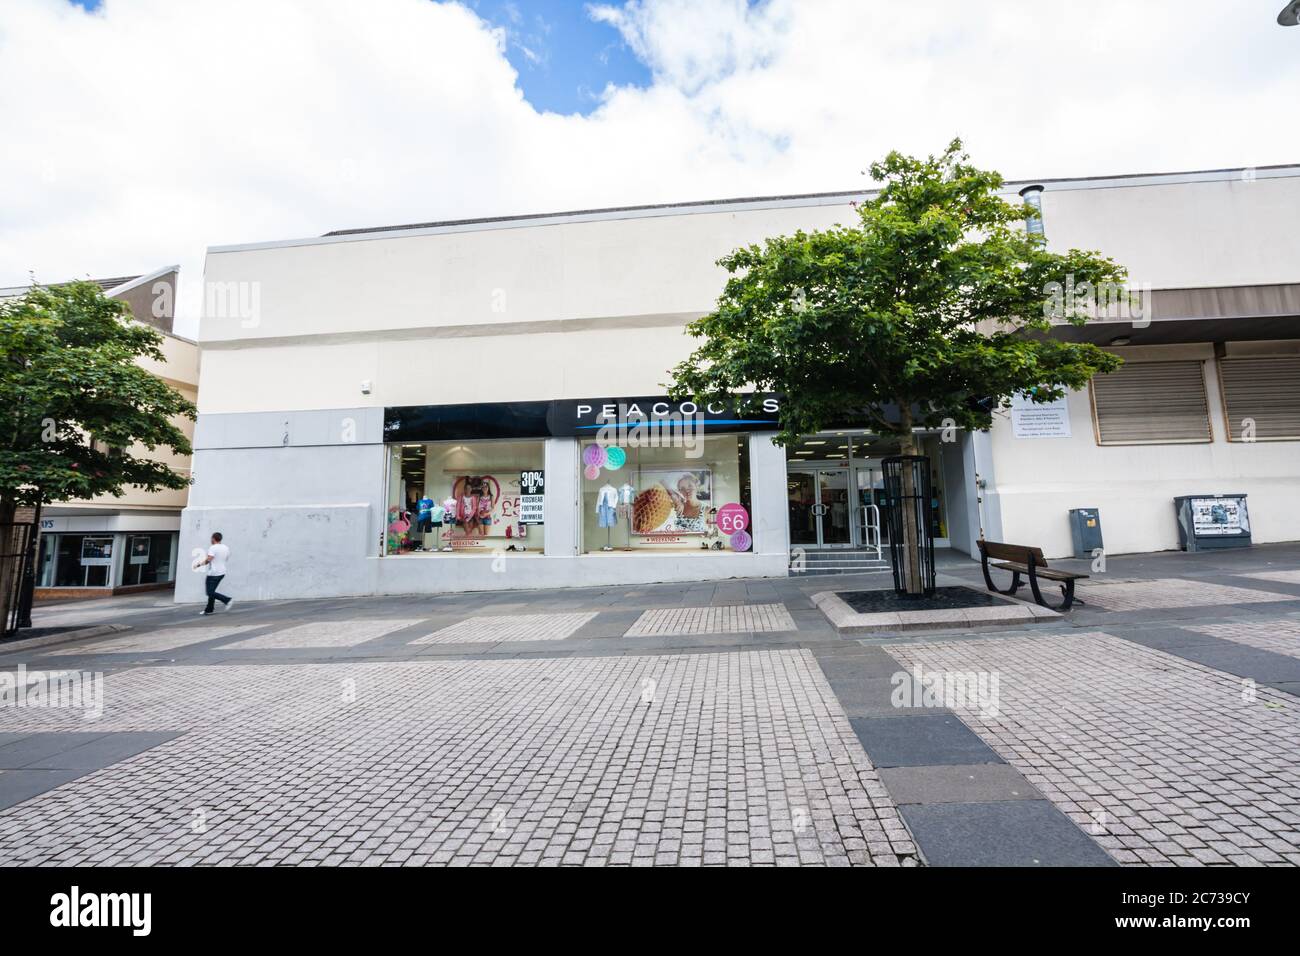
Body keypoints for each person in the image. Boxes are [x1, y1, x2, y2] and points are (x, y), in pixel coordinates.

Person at [199, 532, 233, 615]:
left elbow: (209, 559)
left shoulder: (213, 548)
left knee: (209, 592)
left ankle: (227, 600)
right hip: (222, 572)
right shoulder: (226, 548)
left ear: (213, 538)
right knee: (212, 592)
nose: (211, 539)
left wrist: (199, 564)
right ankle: (209, 609)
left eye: (211, 538)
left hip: (213, 573)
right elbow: (226, 558)